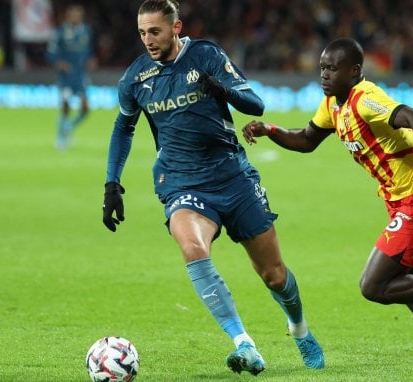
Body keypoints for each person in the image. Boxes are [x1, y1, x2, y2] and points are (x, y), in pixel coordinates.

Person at [101, 0, 324, 375]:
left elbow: (255, 104)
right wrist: (112, 183)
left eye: (154, 31)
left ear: (176, 27)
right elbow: (123, 128)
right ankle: (244, 343)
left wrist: (223, 91)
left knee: (274, 275)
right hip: (181, 181)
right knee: (192, 246)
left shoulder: (206, 56)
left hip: (232, 177)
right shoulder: (136, 78)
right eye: (142, 33)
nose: (148, 40)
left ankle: (299, 328)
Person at [243, 37, 413, 364]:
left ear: (354, 72)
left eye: (332, 69)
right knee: (403, 282)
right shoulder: (333, 103)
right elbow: (307, 139)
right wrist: (270, 129)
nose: (323, 75)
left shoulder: (365, 99)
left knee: (374, 285)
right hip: (406, 200)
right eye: (322, 68)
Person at [46, 4, 95, 150]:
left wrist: (91, 59)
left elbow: (88, 50)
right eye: (73, 14)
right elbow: (50, 53)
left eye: (78, 15)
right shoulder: (60, 32)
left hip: (81, 76)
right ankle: (60, 139)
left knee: (85, 108)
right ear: (68, 16)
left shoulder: (86, 31)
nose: (76, 17)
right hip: (66, 77)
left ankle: (69, 127)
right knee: (65, 107)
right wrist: (59, 63)